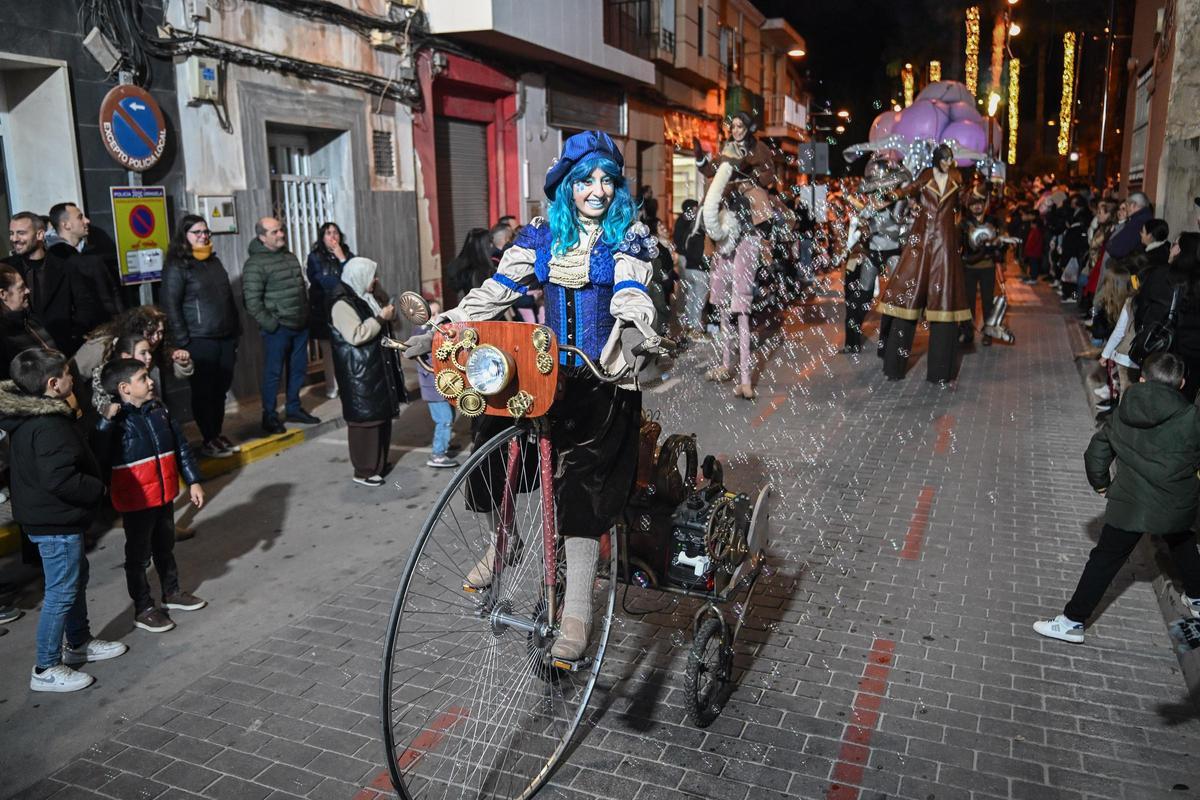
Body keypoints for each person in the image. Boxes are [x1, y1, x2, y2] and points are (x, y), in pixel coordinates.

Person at [405, 130, 657, 661]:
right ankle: (504, 540)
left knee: (581, 487)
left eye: (607, 180)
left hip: (599, 374)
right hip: (545, 371)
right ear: (565, 185)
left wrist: (635, 324)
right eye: (586, 179)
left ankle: (577, 613)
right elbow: (499, 291)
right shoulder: (542, 236)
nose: (597, 190)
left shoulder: (626, 236)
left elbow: (633, 289)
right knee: (489, 432)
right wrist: (444, 324)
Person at [1034, 352, 1200, 643]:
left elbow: (1096, 452)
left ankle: (1072, 621)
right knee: (1182, 542)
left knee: (1105, 560)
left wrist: (1102, 485)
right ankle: (1198, 599)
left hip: (1130, 503)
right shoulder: (1191, 417)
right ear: (1183, 383)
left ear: (1143, 378)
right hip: (1175, 503)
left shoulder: (1124, 409)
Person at [0, 348, 127, 691]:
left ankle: (79, 642)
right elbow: (59, 478)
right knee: (60, 591)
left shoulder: (34, 417)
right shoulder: (48, 425)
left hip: (54, 520)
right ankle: (46, 667)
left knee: (72, 581)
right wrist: (96, 489)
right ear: (54, 384)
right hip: (54, 523)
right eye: (69, 374)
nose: (74, 380)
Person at [96, 358, 206, 634]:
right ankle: (143, 607)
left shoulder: (160, 410)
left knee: (165, 546)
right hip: (136, 502)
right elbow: (98, 454)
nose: (151, 381)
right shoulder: (114, 422)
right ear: (125, 388)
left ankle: (172, 592)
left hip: (164, 495)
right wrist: (105, 423)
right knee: (139, 556)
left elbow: (181, 447)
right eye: (143, 378)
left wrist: (193, 481)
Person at [876, 144, 972, 383]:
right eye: (946, 158)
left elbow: (965, 203)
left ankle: (940, 372)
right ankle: (894, 368)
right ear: (938, 158)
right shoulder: (926, 176)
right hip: (921, 241)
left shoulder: (957, 178)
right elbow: (910, 189)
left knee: (944, 306)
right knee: (906, 303)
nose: (949, 161)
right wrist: (892, 195)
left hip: (945, 245)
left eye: (951, 158)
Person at [161, 215, 241, 458]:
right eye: (196, 232)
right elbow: (170, 304)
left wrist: (235, 331)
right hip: (199, 338)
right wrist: (183, 341)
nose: (203, 236)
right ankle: (208, 438)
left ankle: (216, 433)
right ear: (184, 236)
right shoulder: (178, 266)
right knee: (204, 392)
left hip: (224, 336)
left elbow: (227, 298)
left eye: (206, 232)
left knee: (220, 389)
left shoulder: (213, 261)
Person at [327, 257, 401, 487]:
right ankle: (364, 470)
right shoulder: (341, 304)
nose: (376, 280)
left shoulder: (366, 296)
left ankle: (378, 464)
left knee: (380, 418)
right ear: (358, 277)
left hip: (375, 368)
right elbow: (355, 335)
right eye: (371, 276)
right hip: (359, 373)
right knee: (365, 422)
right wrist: (381, 317)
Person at [242, 217, 318, 434]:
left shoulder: (288, 256)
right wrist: (271, 324)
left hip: (299, 324)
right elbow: (252, 301)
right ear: (262, 237)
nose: (281, 234)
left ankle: (294, 408)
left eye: (281, 230)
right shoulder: (255, 264)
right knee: (273, 373)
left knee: (298, 369)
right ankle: (269, 415)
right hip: (278, 328)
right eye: (274, 232)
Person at [5, 211, 112, 356]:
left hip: (63, 351)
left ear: (40, 235)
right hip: (20, 354)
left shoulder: (66, 267)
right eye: (12, 233)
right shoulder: (6, 270)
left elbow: (85, 305)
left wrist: (72, 336)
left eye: (21, 233)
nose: (14, 239)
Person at [306, 222, 353, 399]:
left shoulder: (347, 253)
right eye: (328, 233)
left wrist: (342, 258)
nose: (332, 236)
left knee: (347, 348)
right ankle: (332, 387)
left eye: (335, 232)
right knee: (329, 352)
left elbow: (355, 275)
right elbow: (321, 281)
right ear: (322, 237)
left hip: (346, 308)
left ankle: (348, 384)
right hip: (324, 310)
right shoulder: (315, 257)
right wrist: (343, 283)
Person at [416, 300, 458, 469]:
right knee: (444, 419)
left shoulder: (440, 331)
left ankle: (445, 442)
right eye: (432, 314)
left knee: (450, 415)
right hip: (433, 387)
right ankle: (437, 454)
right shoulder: (421, 333)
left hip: (445, 384)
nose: (436, 318)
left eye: (438, 314)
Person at [959, 192, 1003, 346]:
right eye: (973, 203)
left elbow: (1001, 243)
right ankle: (968, 333)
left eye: (980, 203)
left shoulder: (994, 221)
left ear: (984, 205)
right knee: (968, 302)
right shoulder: (964, 223)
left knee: (987, 302)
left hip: (988, 267)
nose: (977, 206)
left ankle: (988, 333)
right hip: (969, 267)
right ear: (969, 206)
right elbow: (959, 244)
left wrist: (999, 258)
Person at [0, 266, 57, 376]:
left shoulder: (32, 320)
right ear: (2, 294)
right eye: (21, 288)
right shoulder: (4, 338)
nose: (27, 290)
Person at [673, 199, 709, 337]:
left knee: (691, 296)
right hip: (697, 269)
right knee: (697, 299)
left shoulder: (689, 231)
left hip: (689, 267)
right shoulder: (698, 234)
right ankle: (695, 329)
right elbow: (698, 255)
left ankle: (689, 325)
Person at [447, 228, 494, 304]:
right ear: (484, 245)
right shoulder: (484, 270)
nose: (492, 245)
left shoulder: (461, 266)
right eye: (490, 241)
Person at [1106, 193, 1154, 264]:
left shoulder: (1137, 222)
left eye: (1127, 206)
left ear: (1133, 205)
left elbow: (1117, 249)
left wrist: (1109, 245)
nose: (1127, 209)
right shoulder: (1145, 218)